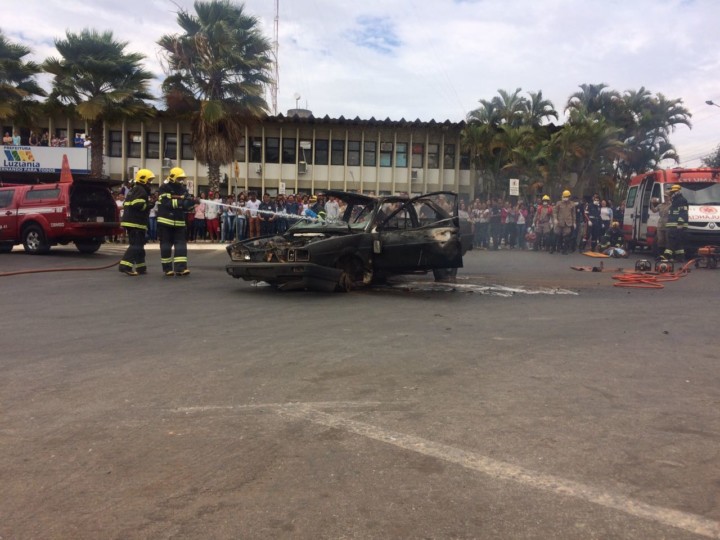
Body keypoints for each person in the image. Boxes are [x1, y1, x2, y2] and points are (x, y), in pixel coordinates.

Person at [157, 167, 195, 276]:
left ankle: (180, 268)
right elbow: (166, 203)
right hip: (165, 222)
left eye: (182, 178)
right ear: (172, 177)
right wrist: (181, 203)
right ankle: (167, 269)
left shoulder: (183, 190)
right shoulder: (164, 188)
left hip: (179, 222)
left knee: (181, 245)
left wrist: (190, 204)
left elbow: (186, 206)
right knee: (166, 246)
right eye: (179, 178)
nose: (181, 180)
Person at [118, 168, 154, 276]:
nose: (150, 183)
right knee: (136, 245)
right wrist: (149, 205)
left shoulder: (134, 189)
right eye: (149, 180)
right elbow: (137, 204)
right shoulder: (140, 190)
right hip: (136, 222)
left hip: (133, 222)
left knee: (139, 245)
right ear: (143, 179)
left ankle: (141, 267)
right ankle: (125, 266)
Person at [663, 184, 689, 262]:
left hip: (676, 225)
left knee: (671, 241)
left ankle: (667, 256)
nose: (671, 193)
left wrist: (680, 223)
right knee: (678, 242)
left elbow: (683, 212)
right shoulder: (675, 200)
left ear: (678, 192)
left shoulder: (681, 200)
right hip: (673, 225)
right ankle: (680, 257)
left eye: (673, 192)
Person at [552, 190, 576, 254]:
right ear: (562, 196)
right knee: (556, 235)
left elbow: (573, 214)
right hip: (559, 222)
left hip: (568, 223)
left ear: (569, 197)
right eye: (565, 196)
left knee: (567, 236)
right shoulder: (559, 203)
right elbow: (555, 212)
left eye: (567, 196)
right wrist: (555, 219)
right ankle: (553, 248)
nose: (566, 198)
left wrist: (574, 222)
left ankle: (564, 250)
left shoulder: (572, 204)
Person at [650, 189, 672, 257]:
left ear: (670, 197)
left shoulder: (672, 205)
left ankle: (667, 255)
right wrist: (651, 203)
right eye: (664, 196)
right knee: (660, 240)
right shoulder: (660, 205)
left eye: (666, 196)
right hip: (660, 224)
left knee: (667, 240)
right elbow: (654, 210)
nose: (665, 198)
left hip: (668, 224)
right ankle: (660, 254)